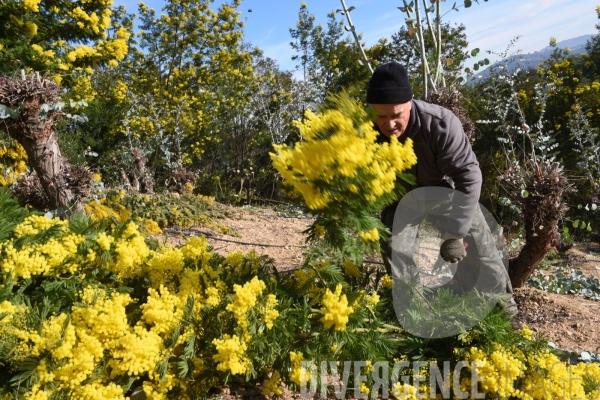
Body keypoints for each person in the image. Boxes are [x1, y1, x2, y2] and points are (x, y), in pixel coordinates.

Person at [366, 61, 519, 319]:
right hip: (399, 197)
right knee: (396, 248)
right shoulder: (364, 131)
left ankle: (504, 315)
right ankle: (416, 314)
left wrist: (456, 234)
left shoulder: (440, 125)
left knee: (482, 245)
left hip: (438, 191)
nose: (389, 125)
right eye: (381, 116)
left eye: (397, 115)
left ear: (410, 102)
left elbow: (468, 178)